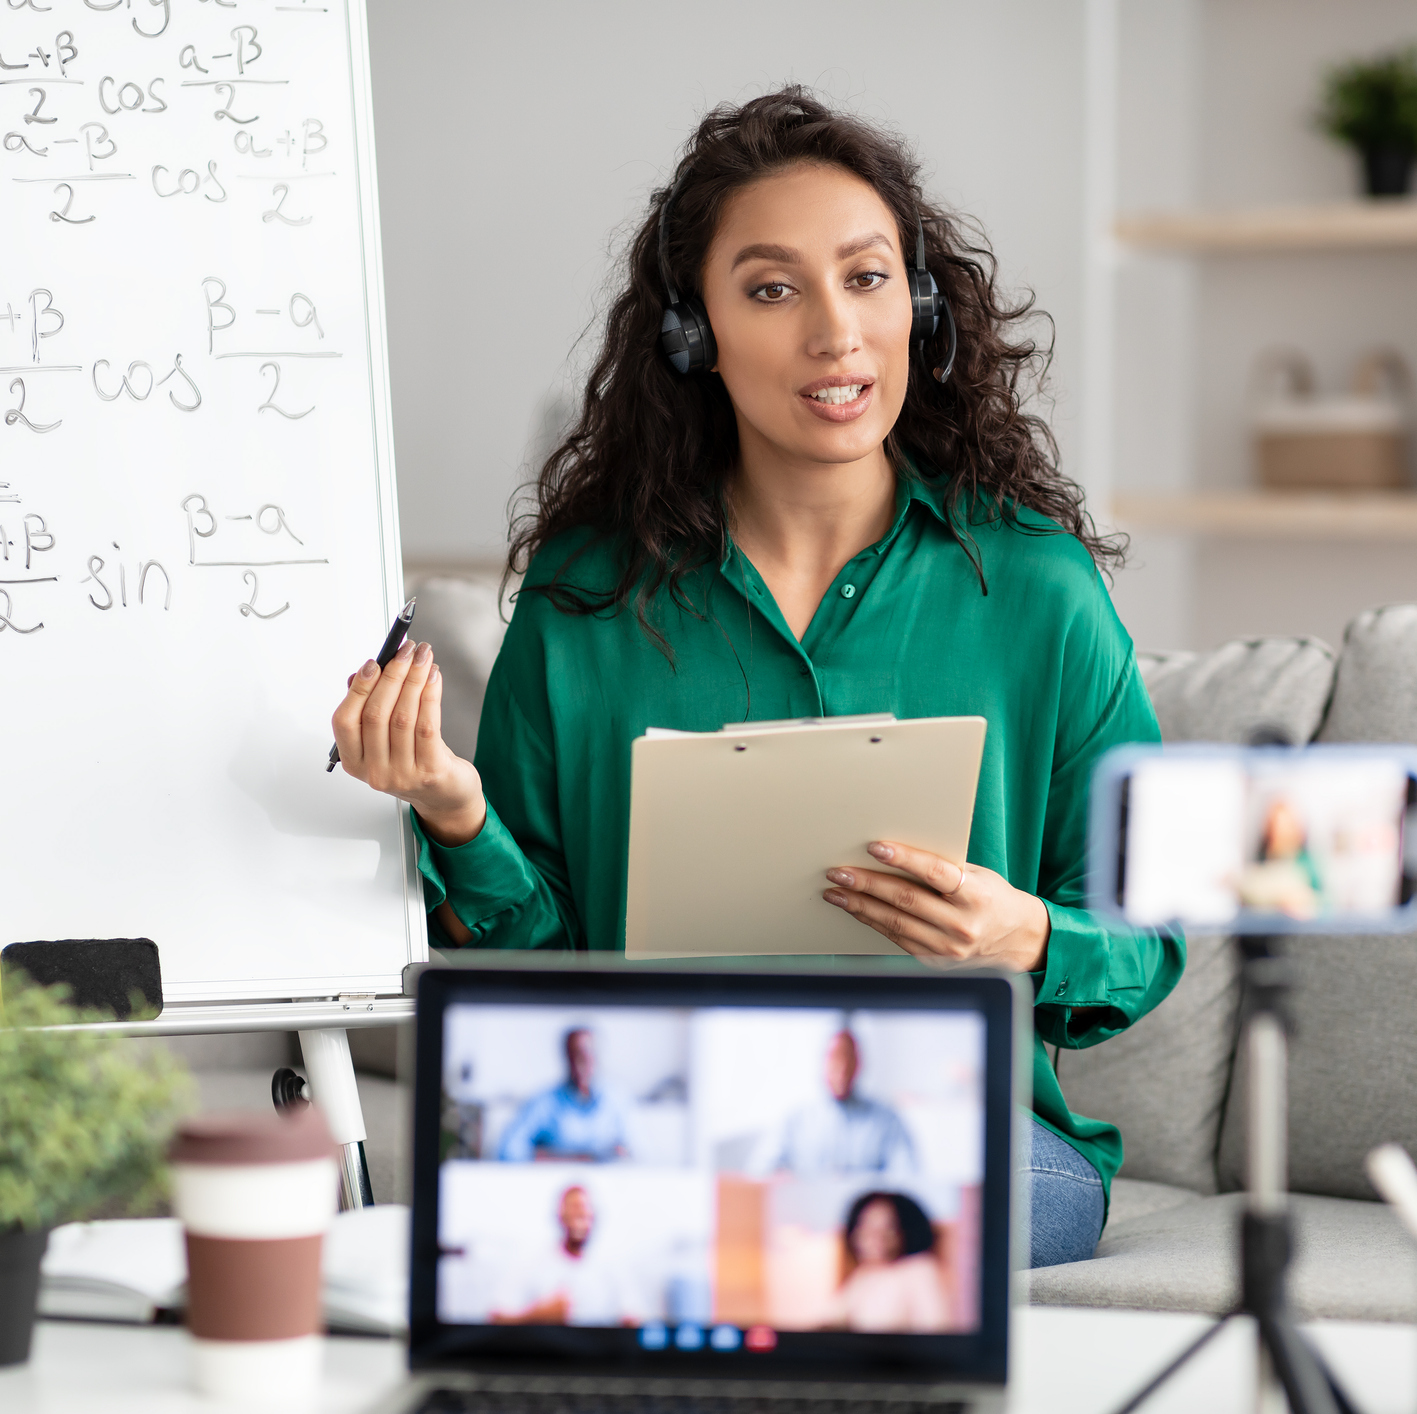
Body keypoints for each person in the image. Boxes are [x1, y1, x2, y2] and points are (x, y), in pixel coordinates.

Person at [329, 88, 1183, 1268]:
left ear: (920, 307)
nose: (836, 333)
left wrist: (1030, 934)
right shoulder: (587, 599)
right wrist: (453, 808)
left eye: (869, 278)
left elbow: (1152, 925)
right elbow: (532, 961)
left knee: (807, 1228)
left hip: (958, 1138)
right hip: (665, 1125)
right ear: (695, 333)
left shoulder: (1036, 590)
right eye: (774, 289)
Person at [754, 1029, 918, 1176]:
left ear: (859, 1065)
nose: (841, 1071)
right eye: (835, 1060)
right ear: (823, 1063)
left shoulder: (887, 1121)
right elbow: (760, 1171)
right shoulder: (795, 1119)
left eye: (848, 1061)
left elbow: (907, 1177)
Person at [488, 1184, 640, 1326]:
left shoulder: (611, 1267)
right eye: (573, 1209)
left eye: (584, 1210)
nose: (580, 1215)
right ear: (560, 1215)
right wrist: (539, 1315)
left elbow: (634, 1318)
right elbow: (496, 1317)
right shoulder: (532, 1261)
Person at [496, 1027, 630, 1162]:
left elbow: (641, 1155)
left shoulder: (617, 1100)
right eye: (576, 1054)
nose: (582, 1063)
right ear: (566, 1057)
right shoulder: (544, 1102)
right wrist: (569, 1159)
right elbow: (508, 1151)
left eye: (588, 1054)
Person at [825, 1192, 952, 1333]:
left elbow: (938, 1333)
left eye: (888, 1227)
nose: (876, 1237)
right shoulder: (862, 1275)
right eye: (867, 1226)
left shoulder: (919, 1269)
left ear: (906, 1230)